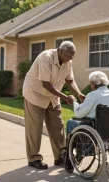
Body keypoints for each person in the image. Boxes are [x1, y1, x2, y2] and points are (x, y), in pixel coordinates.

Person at [22, 41, 85, 170]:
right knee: (35, 128)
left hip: (53, 96)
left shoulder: (68, 62)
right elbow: (46, 84)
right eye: (67, 55)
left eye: (72, 56)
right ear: (60, 51)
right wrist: (65, 97)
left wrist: (79, 94)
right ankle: (34, 158)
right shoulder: (46, 57)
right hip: (35, 95)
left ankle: (60, 157)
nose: (69, 59)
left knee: (58, 127)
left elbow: (69, 80)